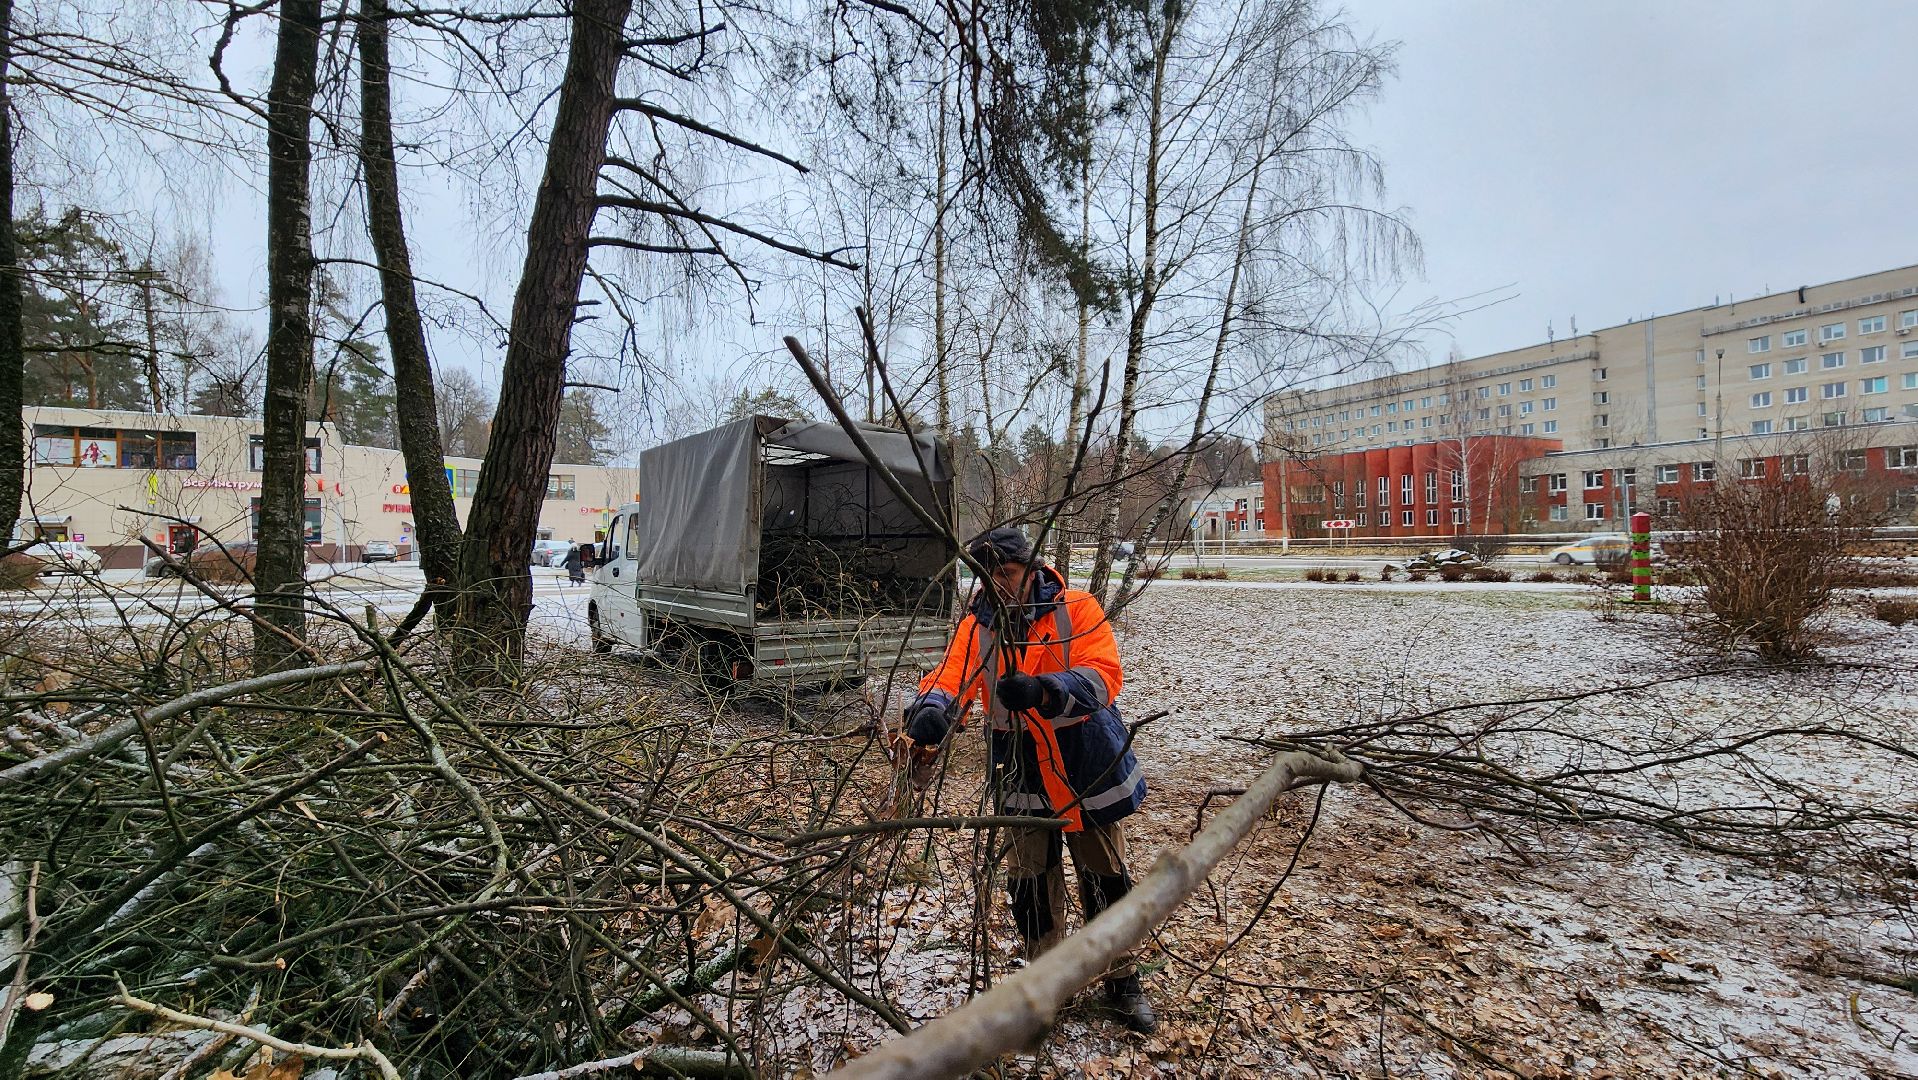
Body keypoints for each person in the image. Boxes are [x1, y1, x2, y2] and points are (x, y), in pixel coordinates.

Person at [897, 526, 1155, 1032]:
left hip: (1085, 762)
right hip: (1018, 766)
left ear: (1031, 569)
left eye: (1007, 573)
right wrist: (933, 710)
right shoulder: (978, 627)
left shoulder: (1076, 608)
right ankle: (1044, 986)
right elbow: (952, 677)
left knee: (1105, 876)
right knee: (1030, 883)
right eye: (987, 575)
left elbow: (1104, 675)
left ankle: (1123, 983)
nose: (997, 584)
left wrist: (1044, 690)